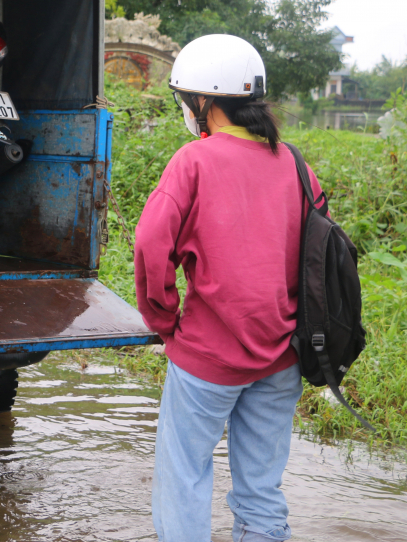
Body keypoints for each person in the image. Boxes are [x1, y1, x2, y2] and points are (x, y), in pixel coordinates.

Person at [135, 34, 326, 542]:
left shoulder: (193, 161)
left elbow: (152, 242)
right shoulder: (295, 164)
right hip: (283, 357)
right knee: (262, 491)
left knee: (185, 477)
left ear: (203, 101)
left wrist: (163, 319)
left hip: (207, 359)